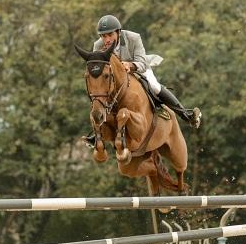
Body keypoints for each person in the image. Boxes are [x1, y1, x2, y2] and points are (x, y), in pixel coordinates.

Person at [84, 15, 201, 146]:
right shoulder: (98, 45)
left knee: (155, 86)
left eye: (110, 35)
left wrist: (130, 65)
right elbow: (99, 70)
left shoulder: (133, 38)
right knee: (102, 94)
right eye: (103, 36)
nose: (106, 39)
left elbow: (142, 62)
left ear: (118, 32)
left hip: (138, 68)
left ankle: (186, 115)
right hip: (115, 78)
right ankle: (98, 132)